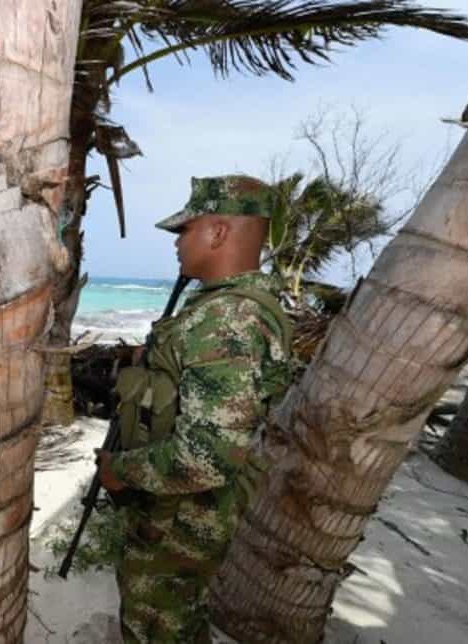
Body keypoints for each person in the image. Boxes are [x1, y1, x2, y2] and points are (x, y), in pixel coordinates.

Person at [95, 174, 294, 644]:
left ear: (219, 232)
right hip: (178, 512)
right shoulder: (222, 309)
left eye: (185, 230)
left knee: (159, 627)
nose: (176, 243)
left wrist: (119, 470)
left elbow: (206, 458)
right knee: (176, 621)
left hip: (182, 519)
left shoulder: (228, 320)